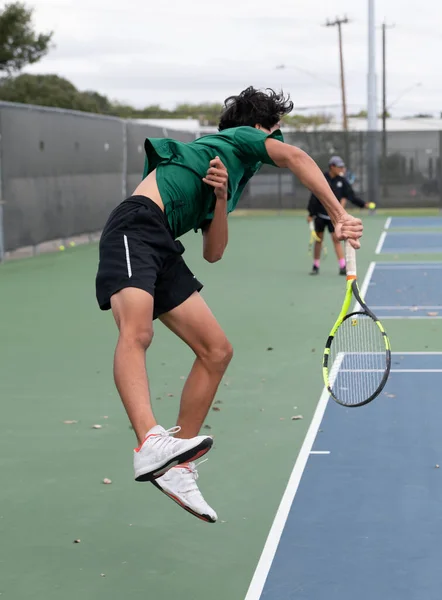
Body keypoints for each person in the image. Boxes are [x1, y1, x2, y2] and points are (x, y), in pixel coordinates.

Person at [95, 87, 363, 524]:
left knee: (217, 351)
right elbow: (296, 158)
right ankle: (149, 443)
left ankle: (178, 466)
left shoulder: (229, 173)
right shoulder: (242, 138)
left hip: (162, 241)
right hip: (135, 225)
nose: (275, 141)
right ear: (264, 128)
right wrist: (338, 214)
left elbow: (213, 252)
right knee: (137, 331)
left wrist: (220, 199)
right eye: (275, 131)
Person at [307, 155, 373, 276]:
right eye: (339, 167)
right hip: (320, 216)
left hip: (334, 217)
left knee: (336, 239)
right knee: (319, 240)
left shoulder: (342, 181)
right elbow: (314, 196)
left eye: (342, 167)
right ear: (332, 167)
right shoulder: (322, 178)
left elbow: (351, 196)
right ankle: (316, 265)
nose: (341, 169)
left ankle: (342, 266)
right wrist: (311, 213)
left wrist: (363, 204)